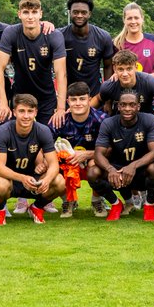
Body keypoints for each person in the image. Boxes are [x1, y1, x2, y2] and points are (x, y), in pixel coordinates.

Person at [90, 88, 154, 221]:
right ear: (118, 106)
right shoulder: (109, 123)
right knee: (93, 173)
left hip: (140, 171)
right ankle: (115, 204)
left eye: (132, 105)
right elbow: (98, 154)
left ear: (138, 106)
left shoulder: (149, 119)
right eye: (123, 105)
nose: (127, 109)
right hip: (117, 173)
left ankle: (149, 205)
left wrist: (133, 166)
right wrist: (110, 169)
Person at [0, 0, 68, 129]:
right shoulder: (11, 32)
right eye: (26, 12)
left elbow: (60, 73)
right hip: (20, 95)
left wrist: (61, 108)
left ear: (41, 14)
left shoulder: (53, 35)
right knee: (18, 136)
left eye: (34, 12)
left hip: (46, 97)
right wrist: (3, 102)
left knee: (47, 136)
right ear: (19, 14)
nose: (30, 17)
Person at [0, 93, 65, 224]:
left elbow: (54, 165)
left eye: (30, 111)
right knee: (0, 185)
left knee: (59, 182)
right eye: (21, 111)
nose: (26, 116)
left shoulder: (43, 130)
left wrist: (46, 180)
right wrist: (22, 178)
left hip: (33, 179)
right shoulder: (3, 131)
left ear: (36, 112)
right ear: (14, 112)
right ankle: (0, 210)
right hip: (10, 179)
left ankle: (37, 207)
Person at [96, 50, 154, 146]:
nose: (125, 74)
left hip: (148, 126)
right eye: (121, 69)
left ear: (136, 67)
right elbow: (97, 100)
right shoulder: (109, 85)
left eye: (129, 69)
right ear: (114, 69)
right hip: (120, 127)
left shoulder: (149, 81)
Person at [54, 81, 109, 217]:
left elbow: (111, 148)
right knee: (53, 162)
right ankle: (68, 200)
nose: (78, 103)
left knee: (96, 164)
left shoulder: (102, 119)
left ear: (89, 100)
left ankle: (96, 200)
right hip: (69, 164)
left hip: (92, 162)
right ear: (68, 101)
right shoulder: (60, 120)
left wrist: (87, 154)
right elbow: (45, 144)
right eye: (73, 99)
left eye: (82, 99)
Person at [62, 0, 116, 97]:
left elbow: (108, 66)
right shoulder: (60, 36)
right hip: (68, 97)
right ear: (69, 13)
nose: (79, 15)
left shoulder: (103, 37)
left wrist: (107, 98)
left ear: (89, 14)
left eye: (83, 12)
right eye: (75, 12)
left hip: (94, 95)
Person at [114, 2, 154, 74]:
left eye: (136, 18)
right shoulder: (117, 44)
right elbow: (113, 71)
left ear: (142, 19)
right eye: (129, 18)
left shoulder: (153, 40)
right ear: (124, 20)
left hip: (149, 85)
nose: (133, 21)